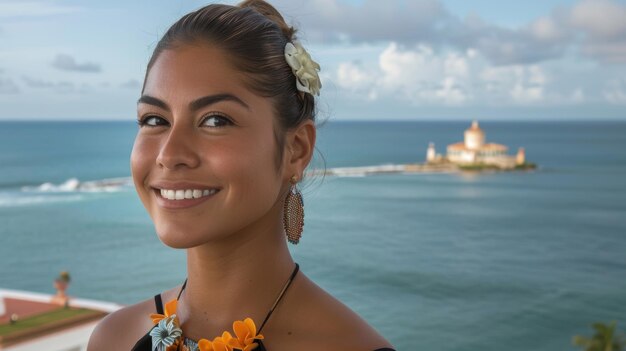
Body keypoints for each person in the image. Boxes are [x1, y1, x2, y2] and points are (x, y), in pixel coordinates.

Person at [87, 1, 395, 350]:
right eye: (154, 120)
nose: (169, 155)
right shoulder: (113, 339)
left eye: (216, 120)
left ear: (296, 149)